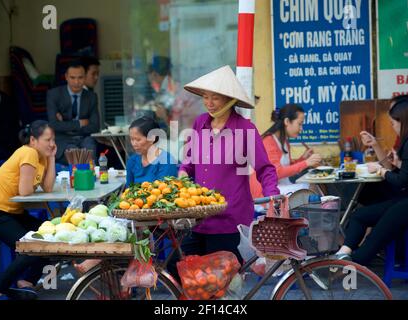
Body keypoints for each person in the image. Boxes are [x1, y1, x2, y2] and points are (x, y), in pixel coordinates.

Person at [166, 65, 280, 280]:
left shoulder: (245, 129)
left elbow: (265, 168)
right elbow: (189, 160)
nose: (208, 103)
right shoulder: (200, 123)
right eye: (206, 97)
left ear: (229, 100)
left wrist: (272, 195)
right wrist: (182, 173)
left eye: (215, 98)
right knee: (177, 266)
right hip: (198, 216)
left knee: (221, 281)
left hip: (230, 218)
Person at [74, 117, 179, 274]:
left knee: (134, 229)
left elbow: (163, 193)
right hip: (134, 212)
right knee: (107, 222)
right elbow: (129, 190)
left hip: (158, 214)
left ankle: (106, 265)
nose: (134, 143)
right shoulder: (133, 161)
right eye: (132, 139)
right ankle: (119, 272)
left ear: (151, 138)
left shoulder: (166, 161)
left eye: (138, 139)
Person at [336, 95, 408, 266]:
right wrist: (393, 165)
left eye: (393, 123)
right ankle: (341, 255)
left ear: (403, 121)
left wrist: (382, 171)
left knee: (373, 242)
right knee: (360, 216)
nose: (393, 128)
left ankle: (349, 266)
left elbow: (402, 181)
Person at [0, 120, 56, 300]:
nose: (52, 144)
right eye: (47, 140)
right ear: (33, 140)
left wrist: (51, 157)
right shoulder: (28, 152)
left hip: (13, 212)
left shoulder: (42, 155)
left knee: (51, 234)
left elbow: (47, 188)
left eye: (53, 139)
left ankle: (27, 282)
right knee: (30, 247)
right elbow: (25, 191)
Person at [249, 104, 322, 196]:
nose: (301, 129)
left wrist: (303, 158)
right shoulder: (268, 141)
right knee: (310, 188)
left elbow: (286, 166)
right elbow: (276, 172)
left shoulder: (284, 142)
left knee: (313, 185)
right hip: (266, 191)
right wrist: (306, 163)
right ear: (287, 121)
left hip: (282, 186)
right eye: (299, 124)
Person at [46, 60, 100, 164]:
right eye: (72, 78)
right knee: (75, 157)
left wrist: (65, 125)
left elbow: (95, 126)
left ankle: (91, 179)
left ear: (85, 77)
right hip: (64, 141)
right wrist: (79, 123)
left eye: (80, 77)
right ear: (66, 77)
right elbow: (53, 125)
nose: (76, 82)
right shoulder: (54, 95)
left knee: (90, 156)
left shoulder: (91, 97)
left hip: (85, 139)